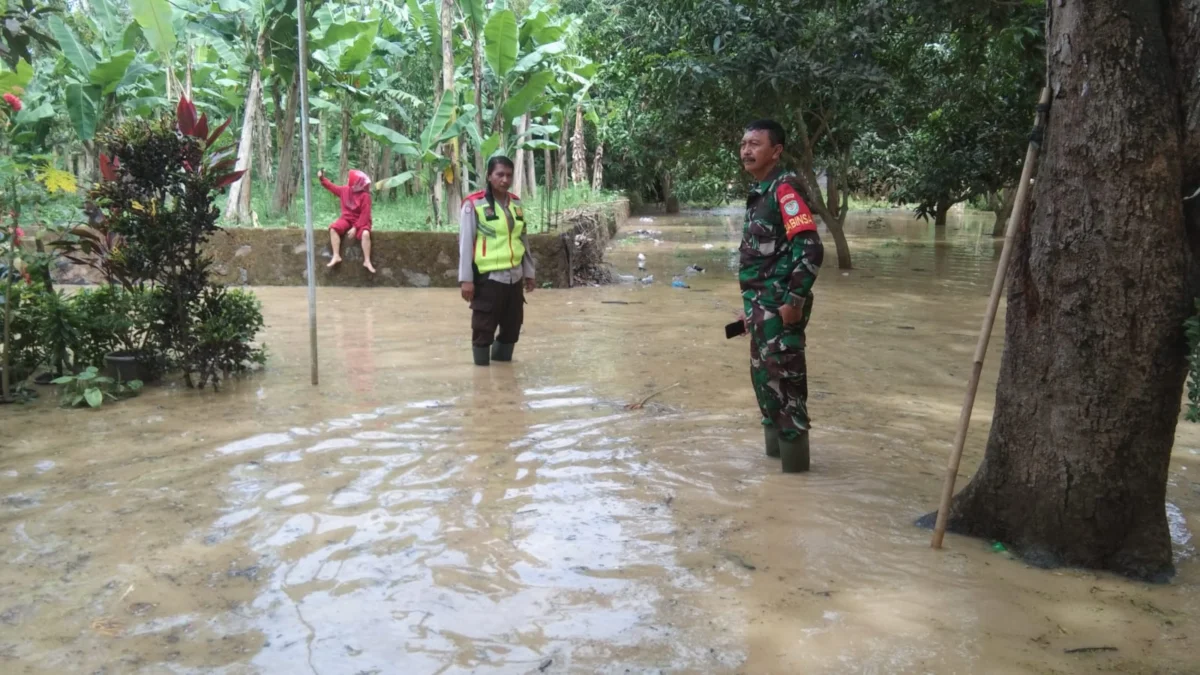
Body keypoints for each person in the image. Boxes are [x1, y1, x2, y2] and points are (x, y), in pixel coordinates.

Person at [737, 119, 824, 473]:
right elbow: (763, 263)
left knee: (786, 399)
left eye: (755, 144)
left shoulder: (784, 191)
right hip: (761, 313)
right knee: (766, 392)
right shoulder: (761, 193)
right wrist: (750, 311)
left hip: (780, 313)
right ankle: (776, 486)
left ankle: (796, 484)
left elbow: (811, 248)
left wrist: (794, 301)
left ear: (776, 151)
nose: (746, 150)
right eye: (744, 144)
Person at [458, 156, 536, 366]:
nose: (504, 180)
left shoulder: (516, 203)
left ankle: (503, 376)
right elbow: (466, 243)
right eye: (499, 174)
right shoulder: (474, 204)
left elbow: (523, 238)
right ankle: (482, 380)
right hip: (489, 278)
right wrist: (466, 280)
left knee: (512, 328)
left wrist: (529, 272)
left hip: (514, 277)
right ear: (489, 176)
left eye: (509, 175)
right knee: (483, 329)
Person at [319, 168, 376, 273]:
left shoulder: (365, 196)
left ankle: (367, 261)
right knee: (333, 229)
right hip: (346, 219)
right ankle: (336, 255)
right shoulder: (345, 190)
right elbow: (332, 187)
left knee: (365, 234)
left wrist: (355, 228)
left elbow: (365, 215)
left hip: (360, 221)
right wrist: (322, 178)